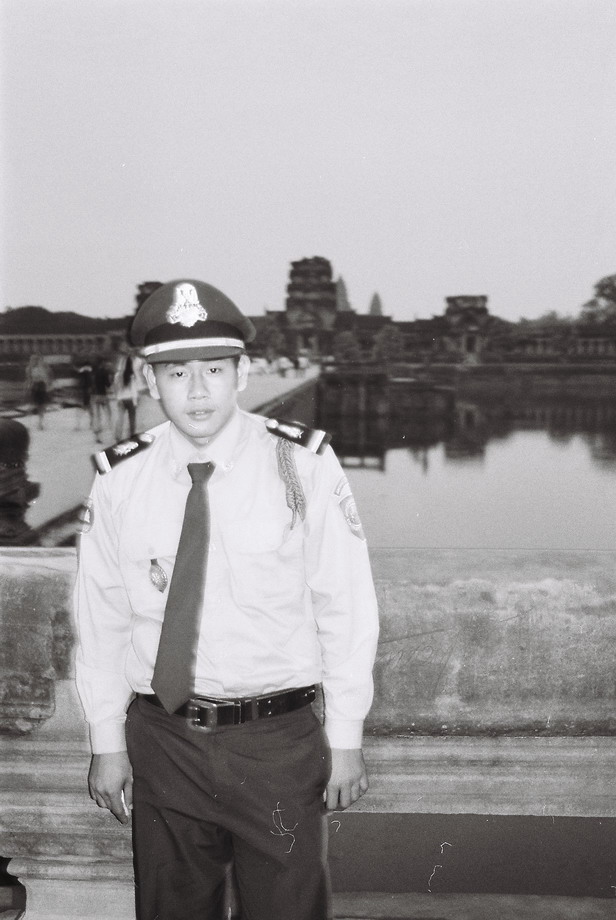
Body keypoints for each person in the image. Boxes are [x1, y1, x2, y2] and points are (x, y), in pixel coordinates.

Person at [73, 278, 379, 920]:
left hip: (276, 740)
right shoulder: (121, 480)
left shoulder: (302, 466)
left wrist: (346, 734)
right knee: (172, 909)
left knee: (288, 911)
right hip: (163, 739)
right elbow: (100, 619)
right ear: (150, 383)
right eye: (177, 373)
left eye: (215, 369)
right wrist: (107, 740)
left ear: (244, 373)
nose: (198, 390)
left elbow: (345, 606)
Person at [112, 345, 140, 440]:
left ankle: (118, 436)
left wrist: (117, 398)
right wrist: (135, 401)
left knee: (120, 419)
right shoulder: (132, 377)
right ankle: (132, 436)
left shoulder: (118, 376)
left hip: (121, 399)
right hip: (130, 399)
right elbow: (134, 389)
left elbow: (116, 388)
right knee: (131, 419)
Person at [90, 355, 114, 442]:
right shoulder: (104, 372)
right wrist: (111, 379)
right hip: (102, 395)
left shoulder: (94, 372)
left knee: (97, 416)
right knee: (109, 414)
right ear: (102, 363)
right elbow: (108, 384)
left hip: (94, 396)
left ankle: (97, 436)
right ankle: (112, 432)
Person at [25, 353, 51, 430]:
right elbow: (29, 379)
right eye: (33, 359)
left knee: (40, 406)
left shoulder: (41, 368)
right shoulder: (30, 368)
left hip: (40, 387)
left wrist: (47, 386)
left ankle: (39, 423)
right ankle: (33, 423)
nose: (35, 361)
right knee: (36, 405)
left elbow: (46, 378)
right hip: (37, 387)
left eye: (36, 359)